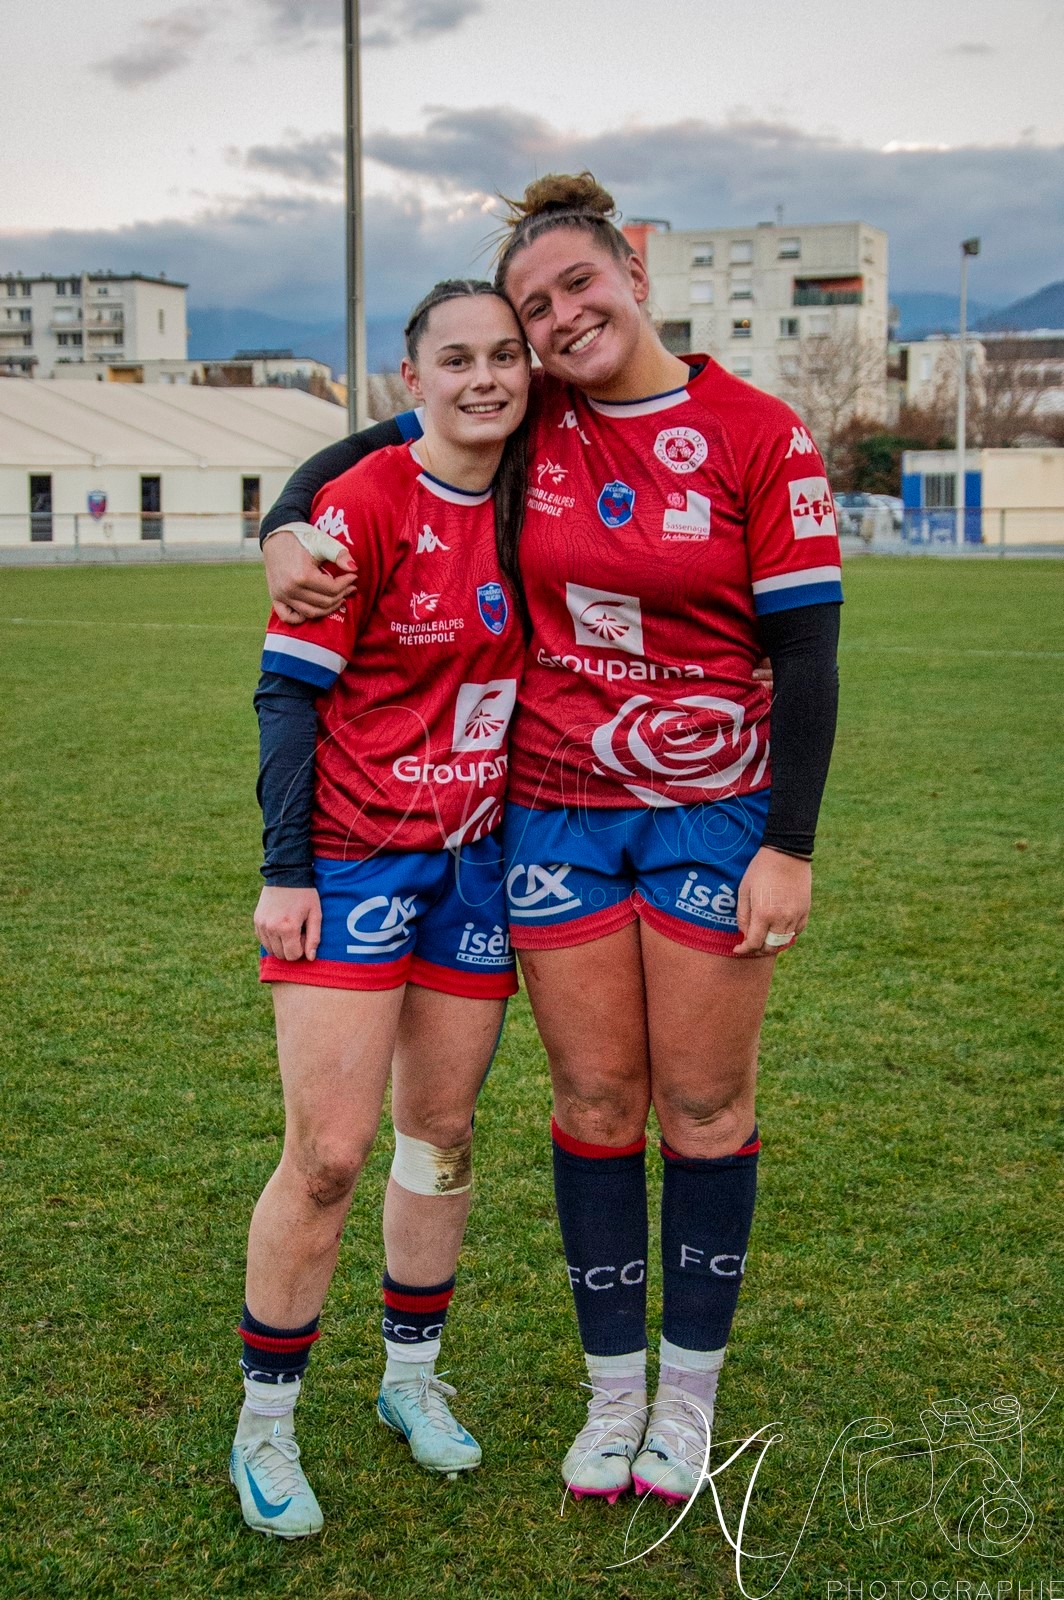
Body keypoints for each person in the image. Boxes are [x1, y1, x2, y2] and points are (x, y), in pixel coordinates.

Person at [256, 173, 842, 1507]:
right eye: (533, 307)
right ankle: (611, 1397)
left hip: (713, 813)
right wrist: (287, 523)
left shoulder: (759, 431)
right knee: (592, 1104)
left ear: (632, 270)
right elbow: (370, 449)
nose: (559, 318)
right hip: (554, 817)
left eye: (577, 284)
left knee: (704, 1106)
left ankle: (685, 1402)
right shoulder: (536, 417)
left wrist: (790, 840)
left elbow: (809, 652)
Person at [231, 279, 529, 1539]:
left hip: (477, 864)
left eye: (504, 355)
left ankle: (410, 1378)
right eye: (455, 358)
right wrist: (285, 868)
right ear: (413, 380)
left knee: (441, 1133)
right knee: (328, 1155)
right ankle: (265, 1425)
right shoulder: (359, 503)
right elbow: (286, 695)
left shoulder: (537, 490)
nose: (483, 377)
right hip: (351, 863)